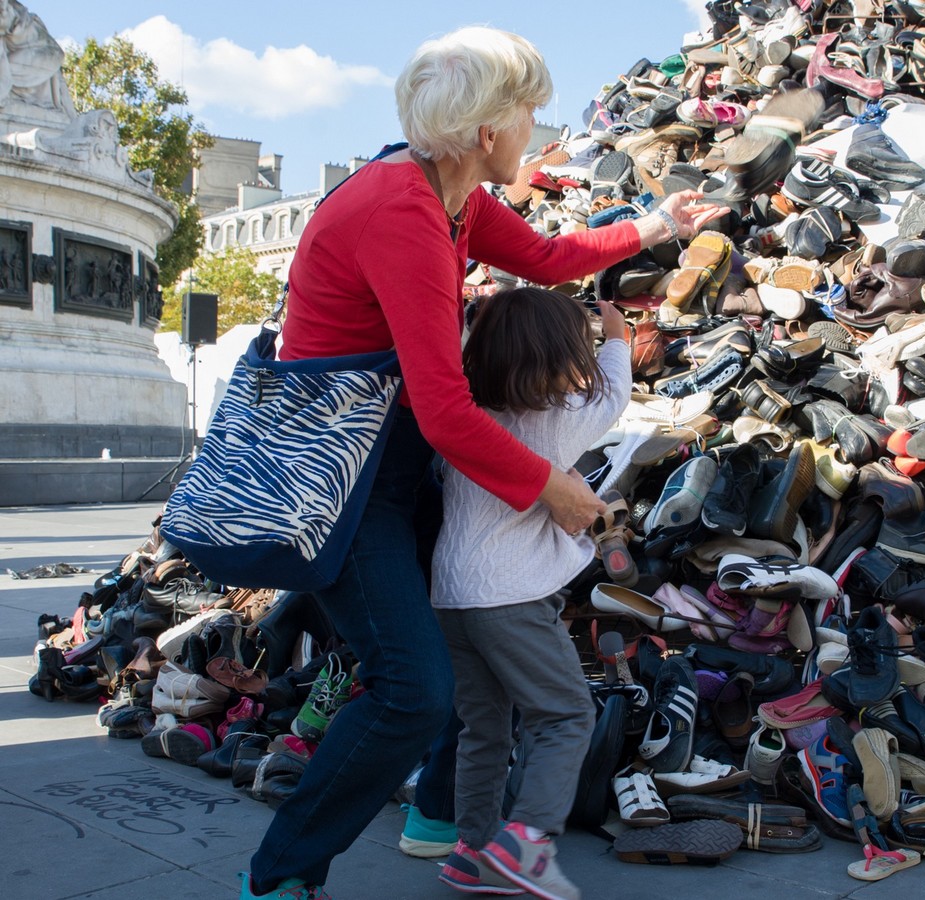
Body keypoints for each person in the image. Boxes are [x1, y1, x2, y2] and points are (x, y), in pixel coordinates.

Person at [242, 27, 720, 900]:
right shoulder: (405, 215)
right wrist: (556, 490)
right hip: (343, 479)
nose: (538, 128)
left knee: (466, 652)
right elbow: (445, 409)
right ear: (484, 129)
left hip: (393, 456)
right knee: (413, 687)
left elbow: (540, 257)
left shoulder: (452, 195)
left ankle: (450, 828)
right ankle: (279, 877)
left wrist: (647, 227)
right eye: (529, 111)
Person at [429, 287, 631, 897]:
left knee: (484, 726)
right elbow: (615, 393)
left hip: (452, 595)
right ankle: (528, 840)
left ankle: (473, 849)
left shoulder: (465, 415)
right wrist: (618, 333)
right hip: (510, 596)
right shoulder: (559, 420)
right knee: (565, 713)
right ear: (560, 352)